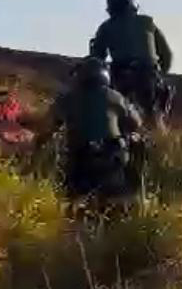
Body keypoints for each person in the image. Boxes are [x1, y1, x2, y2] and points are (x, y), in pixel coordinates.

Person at [38, 57, 144, 199]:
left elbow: (47, 127)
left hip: (82, 160)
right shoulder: (116, 97)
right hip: (114, 158)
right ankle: (138, 195)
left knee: (70, 192)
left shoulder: (68, 98)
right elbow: (136, 123)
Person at [89, 0, 173, 129]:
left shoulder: (105, 27)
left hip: (121, 77)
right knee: (153, 117)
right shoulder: (147, 22)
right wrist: (160, 74)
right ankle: (159, 138)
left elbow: (96, 60)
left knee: (119, 117)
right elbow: (167, 55)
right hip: (149, 75)